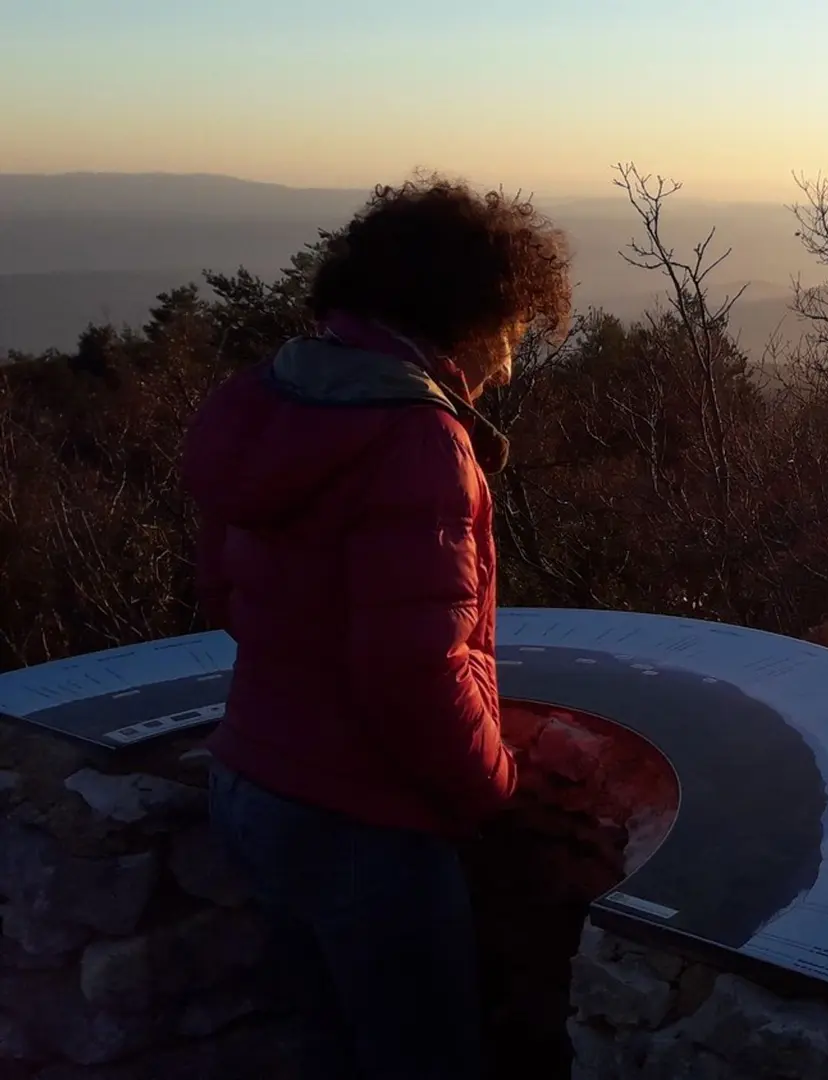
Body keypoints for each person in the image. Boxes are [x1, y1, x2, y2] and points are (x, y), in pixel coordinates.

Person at [180, 175, 572, 1080]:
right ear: (469, 316)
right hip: (364, 825)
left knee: (329, 1047)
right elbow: (416, 672)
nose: (508, 364)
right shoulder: (415, 441)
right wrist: (495, 794)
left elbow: (227, 600)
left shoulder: (269, 400)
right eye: (511, 334)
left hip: (252, 785)